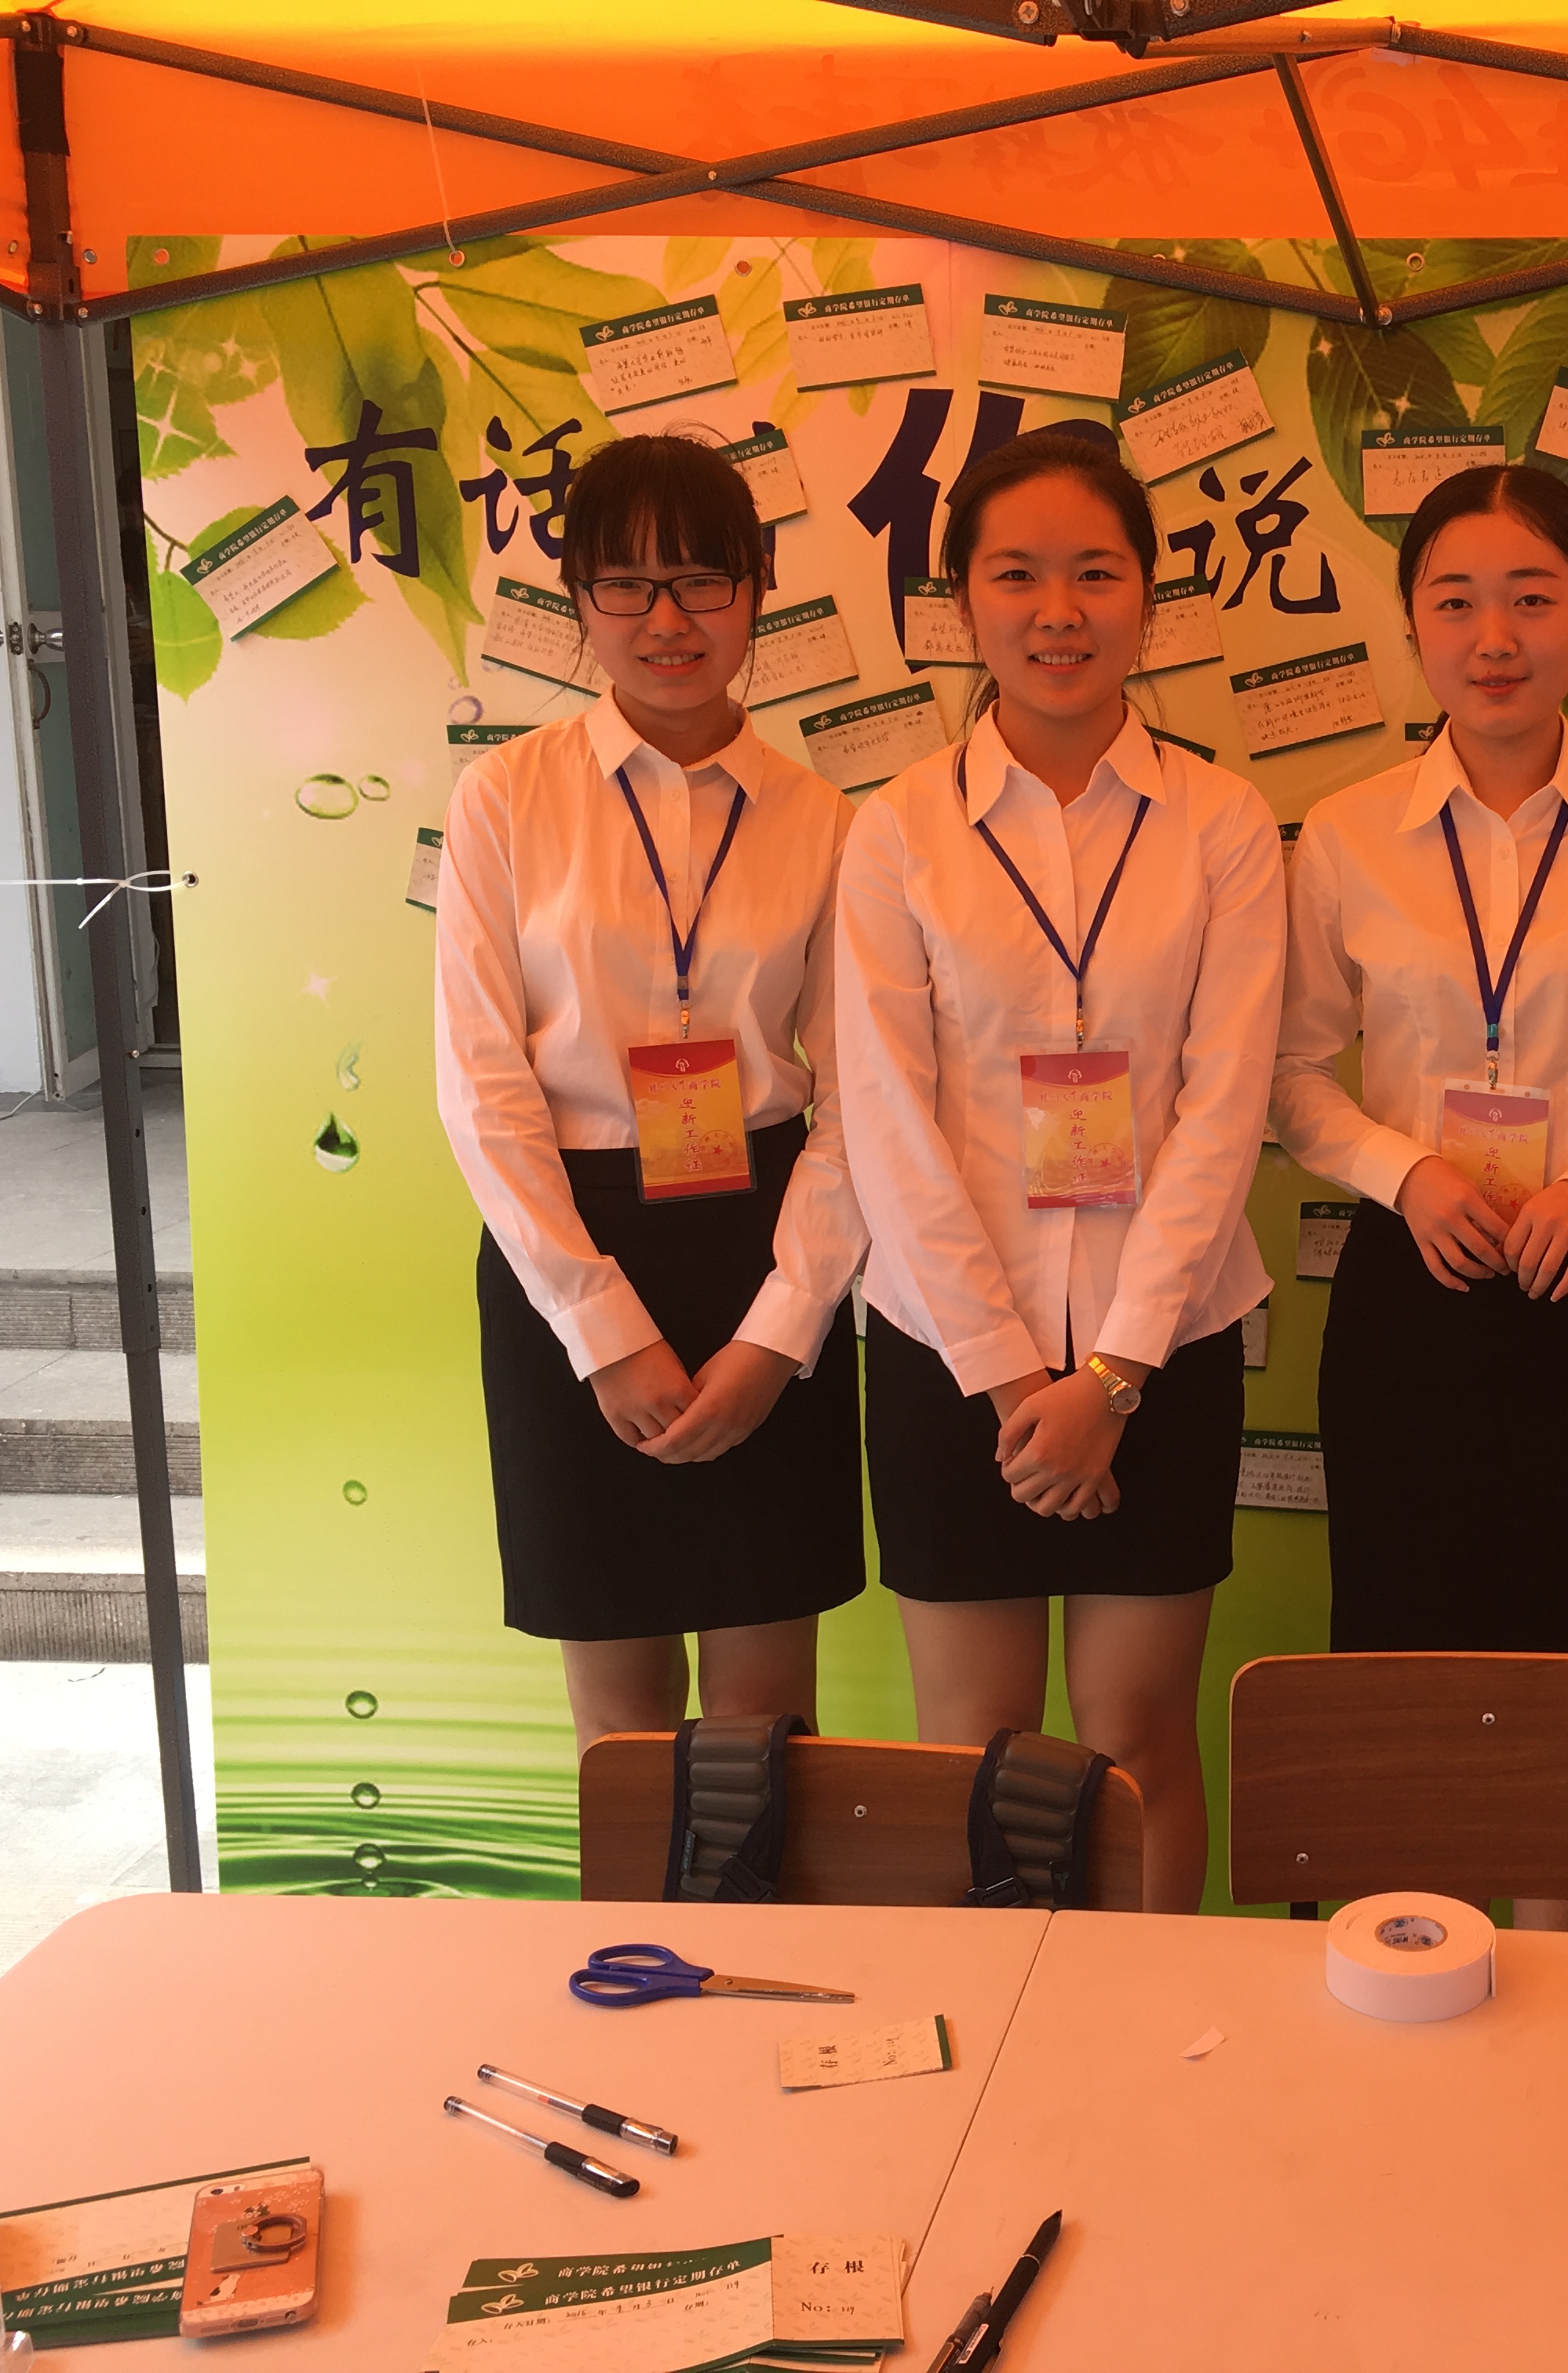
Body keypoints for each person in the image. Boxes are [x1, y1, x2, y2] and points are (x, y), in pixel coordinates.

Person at [1274, 464, 1568, 1925]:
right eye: (1457, 601)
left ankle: (1565, 1964)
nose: (1495, 638)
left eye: (1533, 599)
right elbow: (1290, 1076)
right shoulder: (1345, 834)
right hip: (1404, 1294)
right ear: (1414, 624)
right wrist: (1404, 1172)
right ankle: (1400, 1959)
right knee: (1398, 1652)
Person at [834, 428, 1283, 1915]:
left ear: (1149, 595)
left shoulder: (1222, 822)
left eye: (1096, 573)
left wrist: (1117, 1376)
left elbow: (1224, 1108)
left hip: (1168, 1340)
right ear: (962, 602)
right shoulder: (898, 830)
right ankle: (998, 2038)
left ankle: (1144, 2031)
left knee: (1139, 1739)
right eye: (1017, 575)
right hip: (951, 1351)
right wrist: (1012, 1378)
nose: (1059, 611)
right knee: (978, 1752)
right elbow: (887, 1119)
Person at [434, 433, 866, 1757]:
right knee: (620, 1725)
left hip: (766, 1244)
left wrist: (780, 1333)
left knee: (765, 1718)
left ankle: (757, 1916)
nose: (667, 621)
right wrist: (600, 1327)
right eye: (627, 584)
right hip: (569, 1249)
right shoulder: (505, 798)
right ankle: (639, 1917)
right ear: (579, 599)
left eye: (702, 581)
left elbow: (863, 1102)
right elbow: (482, 1085)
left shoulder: (826, 820)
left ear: (757, 591)